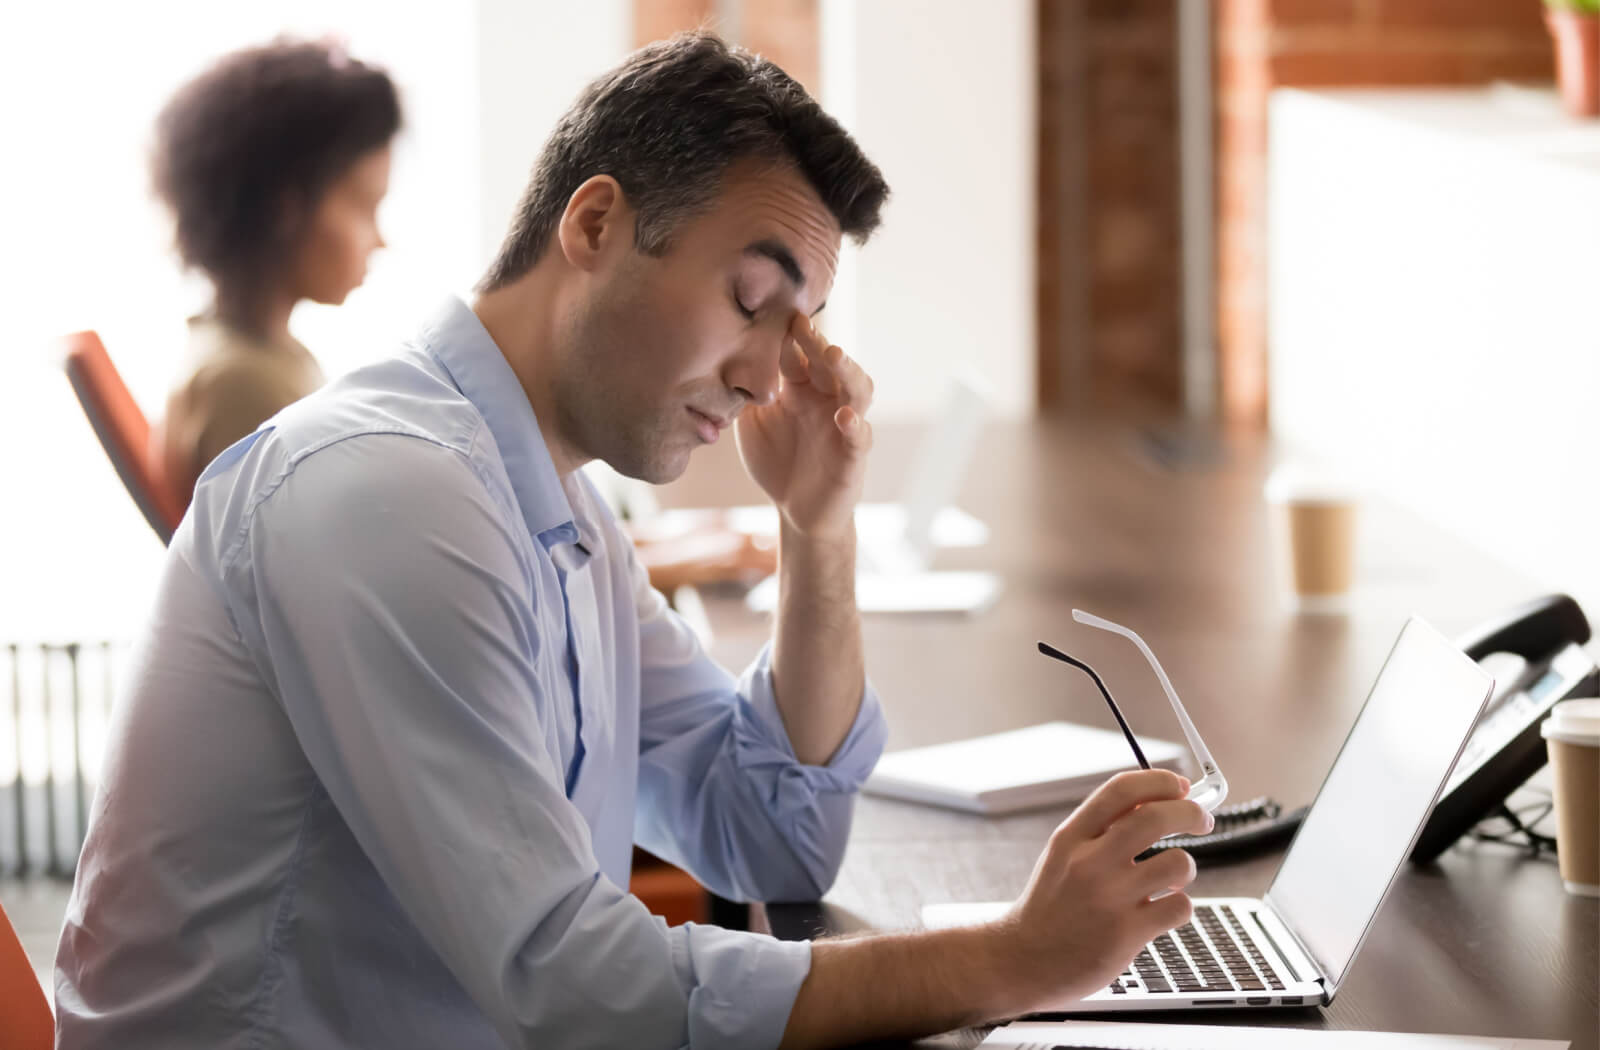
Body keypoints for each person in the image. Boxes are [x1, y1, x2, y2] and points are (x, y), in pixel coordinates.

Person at [54, 32, 1210, 1049]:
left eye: (795, 329)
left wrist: (816, 528)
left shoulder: (554, 509)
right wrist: (1010, 959)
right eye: (752, 301)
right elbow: (575, 991)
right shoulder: (385, 494)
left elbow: (770, 837)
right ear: (596, 224)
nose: (769, 374)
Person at [148, 38, 400, 503]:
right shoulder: (242, 384)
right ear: (286, 209)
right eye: (365, 205)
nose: (380, 240)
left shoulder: (255, 357)